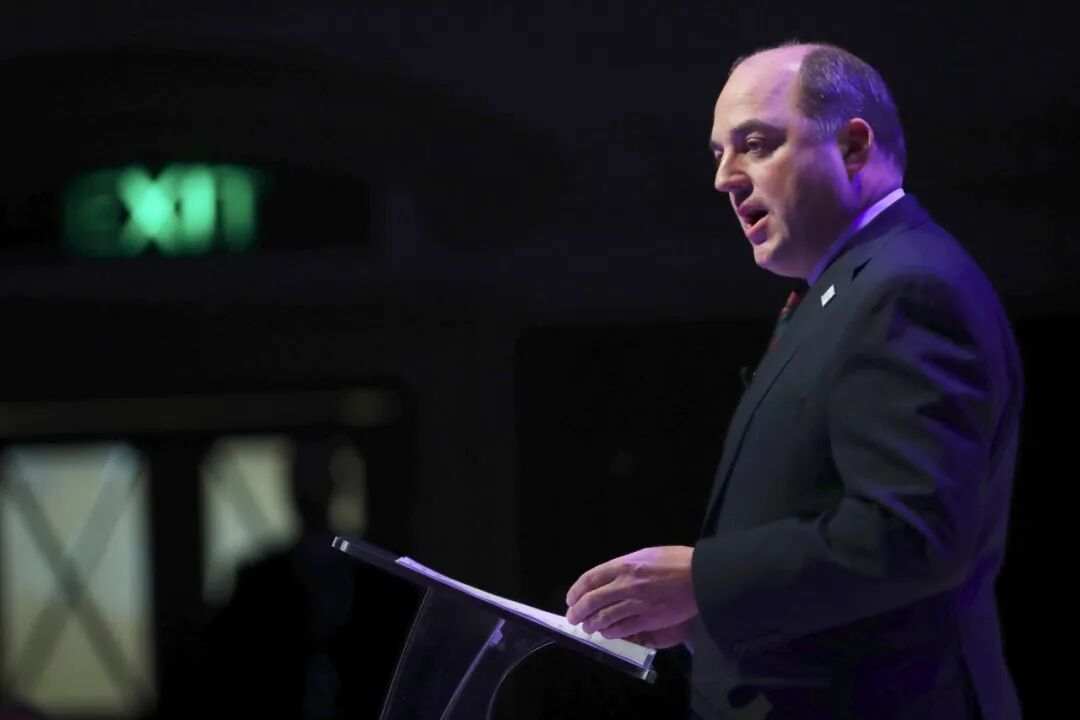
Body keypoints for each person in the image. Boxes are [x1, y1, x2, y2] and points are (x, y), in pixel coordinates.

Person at [564, 42, 1022, 719]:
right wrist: (705, 614)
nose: (724, 178)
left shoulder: (908, 288)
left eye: (754, 144)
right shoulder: (846, 289)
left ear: (854, 147)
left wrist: (703, 581)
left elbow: (911, 535)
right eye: (718, 152)